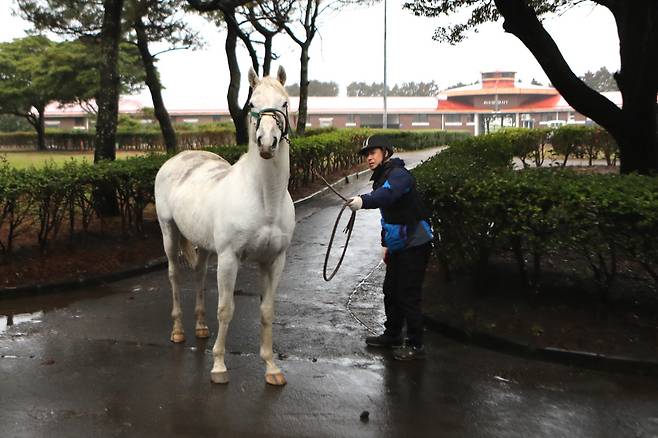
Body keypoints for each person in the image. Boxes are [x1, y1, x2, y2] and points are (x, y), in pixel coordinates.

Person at [347, 134, 433, 361]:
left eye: (372, 153)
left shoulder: (399, 175)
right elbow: (389, 217)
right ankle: (393, 335)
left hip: (415, 244)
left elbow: (387, 195)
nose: (368, 158)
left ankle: (415, 345)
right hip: (398, 246)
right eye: (366, 154)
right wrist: (386, 246)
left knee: (408, 294)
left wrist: (363, 201)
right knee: (391, 291)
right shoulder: (383, 176)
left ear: (385, 152)